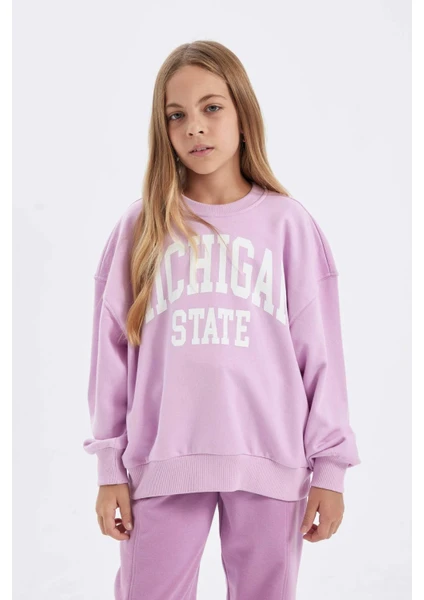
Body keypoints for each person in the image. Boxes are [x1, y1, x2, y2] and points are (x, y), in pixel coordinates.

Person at [82, 40, 361, 600]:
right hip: (160, 462)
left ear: (242, 112)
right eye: (176, 115)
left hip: (271, 462)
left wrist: (330, 469)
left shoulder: (288, 225)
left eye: (211, 107)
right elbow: (109, 357)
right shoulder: (141, 228)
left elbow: (321, 356)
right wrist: (109, 467)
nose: (194, 127)